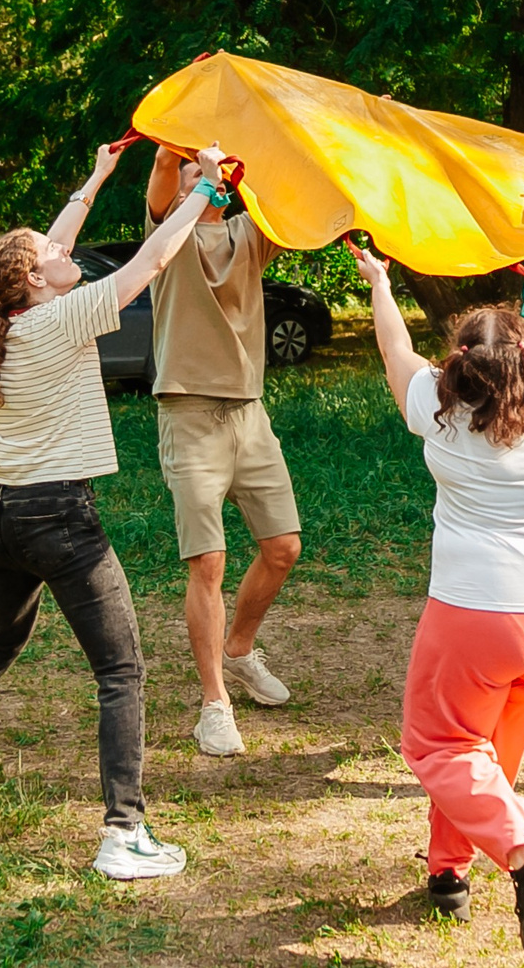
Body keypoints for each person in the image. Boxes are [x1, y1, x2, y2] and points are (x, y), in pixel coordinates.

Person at [0, 142, 230, 881]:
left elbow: (54, 241)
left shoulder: (6, 310)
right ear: (36, 278)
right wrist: (209, 193)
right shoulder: (60, 318)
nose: (68, 251)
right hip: (55, 519)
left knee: (2, 637)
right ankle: (122, 834)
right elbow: (150, 263)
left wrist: (97, 175)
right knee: (121, 668)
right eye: (52, 254)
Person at [350, 235, 524, 953]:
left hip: (485, 611)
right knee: (485, 752)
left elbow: (396, 351)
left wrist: (379, 283)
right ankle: (449, 873)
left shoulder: (438, 408)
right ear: (523, 361)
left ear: (455, 365)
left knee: (437, 742)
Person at [142, 144, 302, 758]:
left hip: (250, 413)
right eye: (193, 172)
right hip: (189, 415)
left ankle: (238, 650)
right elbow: (160, 172)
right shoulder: (168, 235)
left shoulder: (246, 235)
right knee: (208, 564)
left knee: (283, 548)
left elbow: (298, 200)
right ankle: (215, 706)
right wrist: (177, 146)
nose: (205, 176)